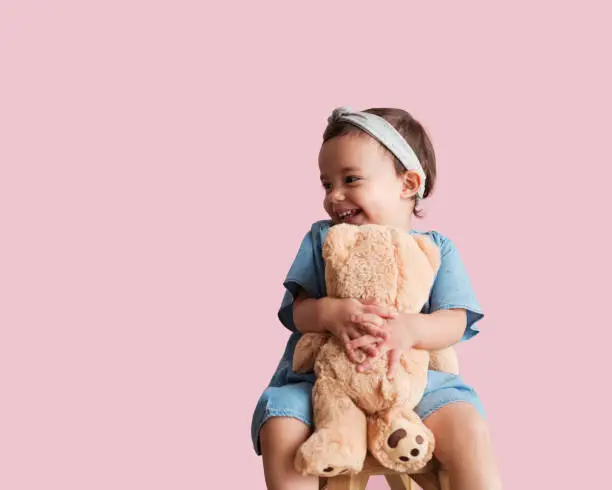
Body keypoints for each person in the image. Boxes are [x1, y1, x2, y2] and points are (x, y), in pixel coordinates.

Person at [251, 107, 502, 490]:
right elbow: (297, 313)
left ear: (407, 184)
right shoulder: (322, 239)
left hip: (413, 381)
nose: (335, 196)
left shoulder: (435, 249)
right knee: (282, 425)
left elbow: (455, 320)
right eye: (326, 184)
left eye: (350, 179)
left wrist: (412, 328)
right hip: (322, 378)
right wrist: (329, 312)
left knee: (467, 424)